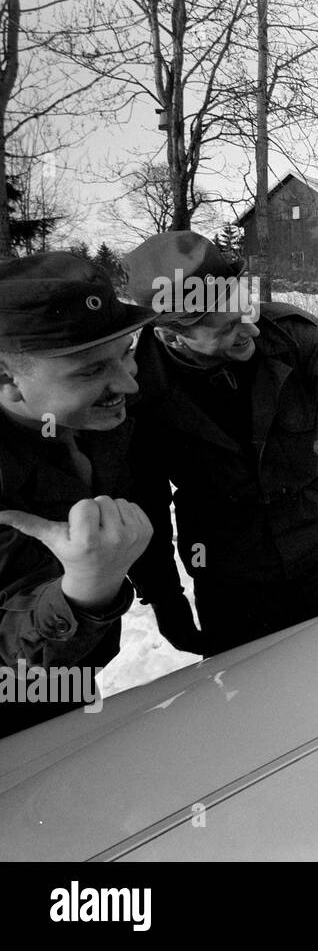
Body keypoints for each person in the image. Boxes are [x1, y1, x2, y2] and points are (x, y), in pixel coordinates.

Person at [120, 231, 318, 657]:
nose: (251, 328)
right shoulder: (135, 388)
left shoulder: (289, 333)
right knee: (252, 705)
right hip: (230, 577)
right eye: (226, 327)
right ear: (171, 337)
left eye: (245, 308)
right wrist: (165, 599)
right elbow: (141, 505)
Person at [0, 253, 156, 738]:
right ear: (8, 381)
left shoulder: (93, 422)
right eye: (90, 371)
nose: (128, 383)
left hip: (69, 701)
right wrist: (83, 594)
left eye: (126, 352)